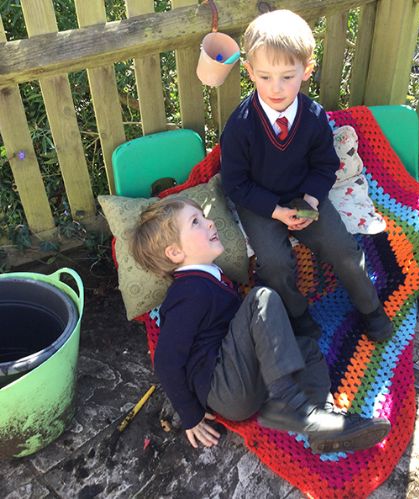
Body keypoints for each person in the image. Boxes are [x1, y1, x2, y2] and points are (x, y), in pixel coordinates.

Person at [130, 197, 391, 453]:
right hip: (224, 387)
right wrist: (190, 415)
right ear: (175, 252)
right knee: (261, 298)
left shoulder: (210, 277)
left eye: (204, 217)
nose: (209, 222)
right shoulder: (186, 292)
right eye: (195, 222)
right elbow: (166, 360)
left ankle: (322, 421)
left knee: (306, 350)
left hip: (248, 382)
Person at [220, 10, 393, 342]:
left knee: (343, 248)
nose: (276, 88)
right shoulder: (240, 125)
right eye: (265, 76)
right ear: (250, 71)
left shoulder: (313, 116)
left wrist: (311, 201)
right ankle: (297, 314)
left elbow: (325, 165)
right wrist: (276, 211)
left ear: (306, 71)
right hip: (259, 201)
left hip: (304, 195)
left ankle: (370, 307)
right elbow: (235, 183)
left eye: (287, 76)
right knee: (274, 263)